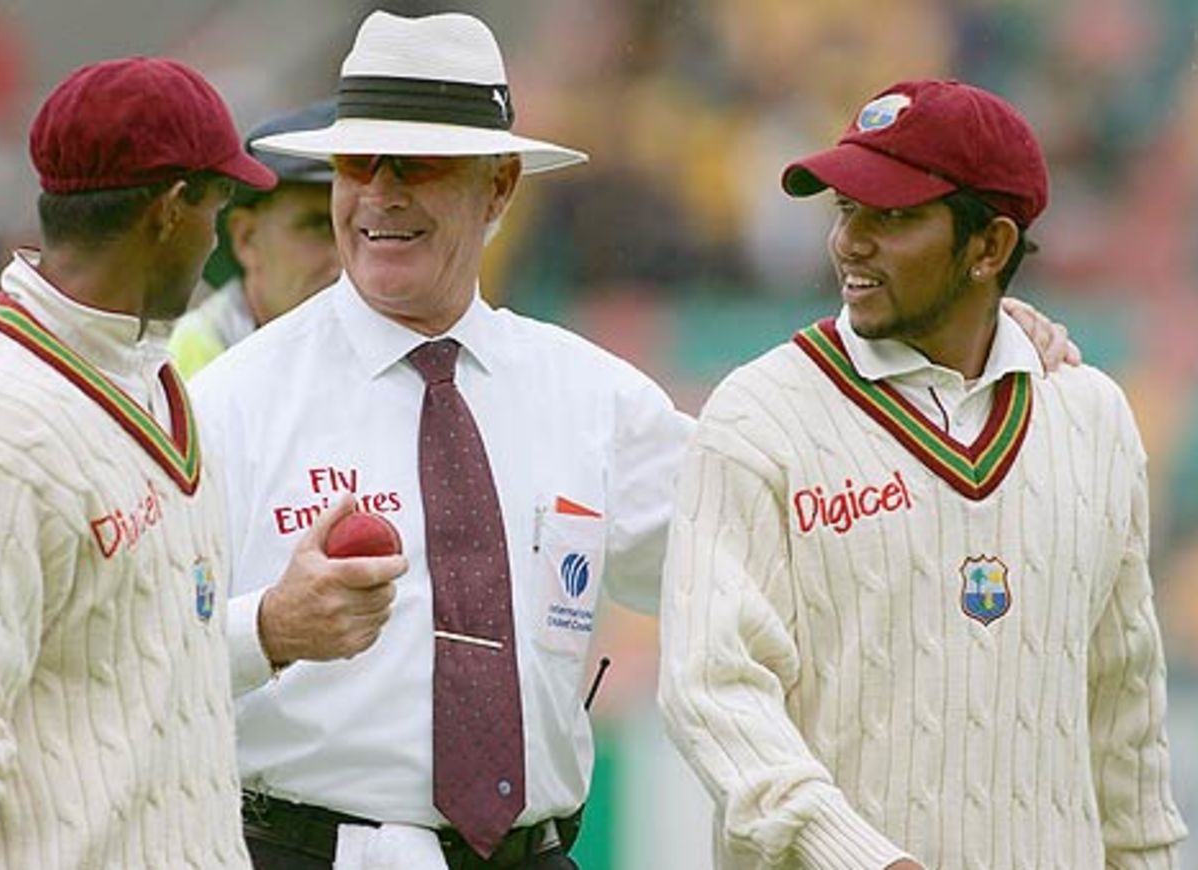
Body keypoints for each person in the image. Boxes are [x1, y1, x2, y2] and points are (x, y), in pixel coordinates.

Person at [190, 13, 1081, 870]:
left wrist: (975, 338)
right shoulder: (232, 400)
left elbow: (789, 534)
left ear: (497, 189)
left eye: (419, 165)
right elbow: (127, 660)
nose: (380, 192)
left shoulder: (593, 396)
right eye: (357, 163)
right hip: (294, 850)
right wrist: (267, 629)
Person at [657, 78, 1188, 869]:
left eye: (894, 217)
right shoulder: (759, 413)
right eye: (846, 211)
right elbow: (712, 689)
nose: (850, 242)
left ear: (990, 247)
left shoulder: (1093, 417)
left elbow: (1124, 714)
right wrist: (863, 858)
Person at [0, 57, 403, 870]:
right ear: (174, 210)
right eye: (218, 207)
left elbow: (138, 668)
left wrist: (274, 628)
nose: (219, 236)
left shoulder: (146, 373)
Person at [169, 99, 340, 378]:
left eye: (364, 228)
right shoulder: (180, 372)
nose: (348, 259)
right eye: (319, 226)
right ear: (246, 238)